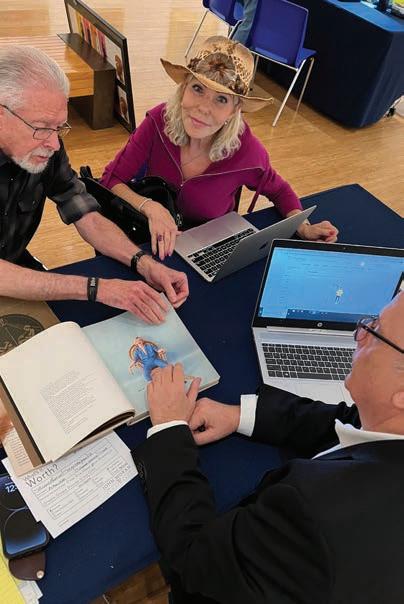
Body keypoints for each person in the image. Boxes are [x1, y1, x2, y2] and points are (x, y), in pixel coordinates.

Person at [133, 291, 404, 603]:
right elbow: (348, 420)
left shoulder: (314, 511)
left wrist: (168, 427)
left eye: (375, 331)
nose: (358, 334)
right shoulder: (391, 422)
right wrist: (240, 416)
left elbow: (195, 558)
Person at [101, 36, 338, 260]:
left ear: (234, 111)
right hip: (152, 241)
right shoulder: (158, 121)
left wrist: (303, 227)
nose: (204, 108)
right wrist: (150, 207)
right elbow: (111, 179)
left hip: (208, 249)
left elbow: (280, 191)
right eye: (198, 89)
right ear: (183, 88)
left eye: (221, 99)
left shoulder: (247, 151)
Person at [0, 45, 188, 325]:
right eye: (41, 127)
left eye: (59, 127)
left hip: (15, 264)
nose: (54, 143)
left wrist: (143, 262)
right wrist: (95, 288)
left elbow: (85, 213)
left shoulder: (47, 145)